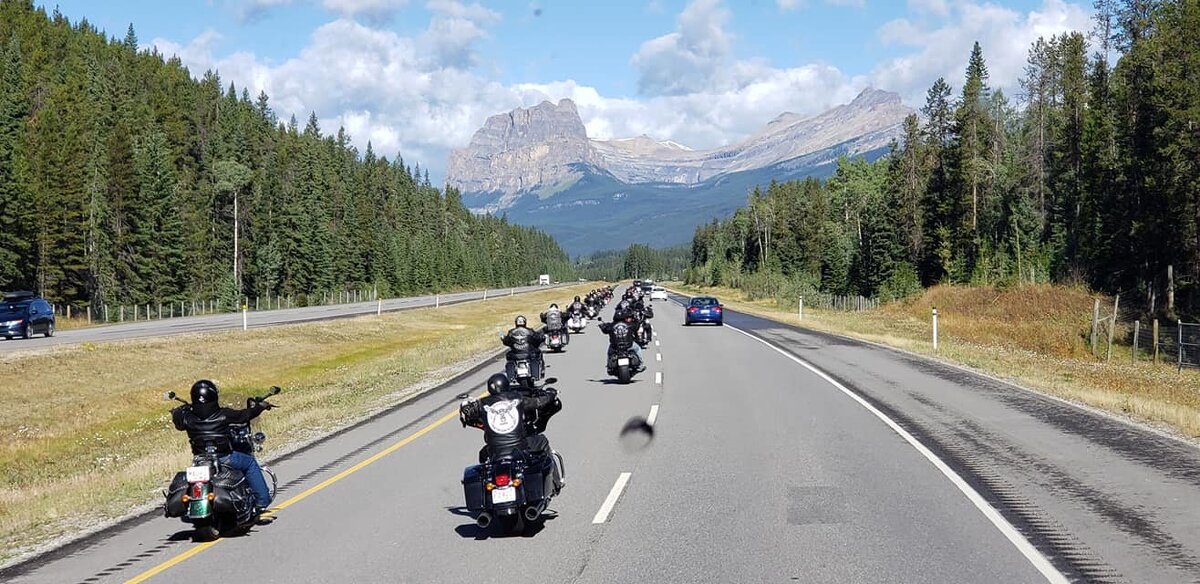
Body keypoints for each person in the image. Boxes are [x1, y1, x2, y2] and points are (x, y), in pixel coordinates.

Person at [171, 380, 274, 512]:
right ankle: (262, 500)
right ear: (214, 396)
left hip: (199, 460)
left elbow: (178, 421)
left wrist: (178, 411)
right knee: (249, 463)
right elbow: (244, 416)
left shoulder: (187, 417)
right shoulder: (224, 414)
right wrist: (260, 407)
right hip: (225, 458)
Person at [460, 373, 564, 491]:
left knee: (483, 455)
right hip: (519, 448)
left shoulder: (482, 404)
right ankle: (556, 483)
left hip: (494, 452)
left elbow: (467, 413)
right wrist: (551, 394)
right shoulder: (517, 399)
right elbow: (538, 402)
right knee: (542, 441)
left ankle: (490, 486)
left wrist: (465, 409)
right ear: (506, 385)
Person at [599, 308, 647, 372]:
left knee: (609, 352)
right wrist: (636, 321)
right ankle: (640, 364)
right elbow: (636, 326)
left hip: (615, 346)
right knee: (638, 348)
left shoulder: (611, 326)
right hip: (629, 345)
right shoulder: (629, 324)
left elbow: (605, 330)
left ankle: (609, 367)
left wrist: (602, 326)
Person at [501, 315, 545, 383]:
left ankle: (512, 376)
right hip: (529, 354)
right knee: (538, 353)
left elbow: (506, 341)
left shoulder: (511, 332)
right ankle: (538, 373)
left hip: (516, 355)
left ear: (516, 323)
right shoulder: (530, 331)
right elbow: (537, 338)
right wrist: (542, 338)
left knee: (509, 356)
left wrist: (504, 339)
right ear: (525, 322)